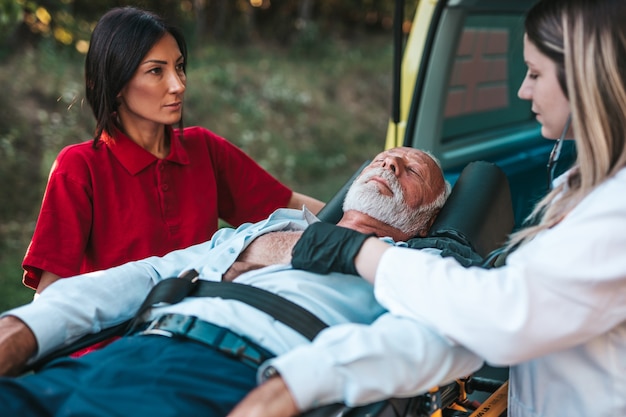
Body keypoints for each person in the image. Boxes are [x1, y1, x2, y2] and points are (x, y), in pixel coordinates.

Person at [231, 1, 626, 416]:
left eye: (535, 72)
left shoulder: (616, 211)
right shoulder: (591, 188)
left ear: (586, 77)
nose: (523, 90)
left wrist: (359, 252)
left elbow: (506, 317)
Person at [0, 147, 484, 416]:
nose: (390, 165)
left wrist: (293, 387)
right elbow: (150, 273)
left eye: (412, 168)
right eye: (382, 159)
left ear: (427, 219)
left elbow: (442, 337)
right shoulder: (270, 228)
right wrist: (30, 324)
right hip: (130, 352)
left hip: (237, 377)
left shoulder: (418, 267)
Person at [22, 6, 324, 296]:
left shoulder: (204, 149)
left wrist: (365, 211)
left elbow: (291, 206)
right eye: (156, 71)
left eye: (179, 67)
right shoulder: (78, 167)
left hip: (201, 324)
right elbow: (51, 294)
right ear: (115, 83)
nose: (178, 84)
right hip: (116, 340)